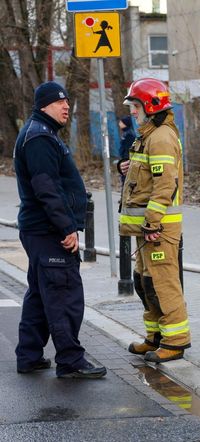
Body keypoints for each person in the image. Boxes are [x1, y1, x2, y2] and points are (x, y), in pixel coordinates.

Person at [13, 81, 107, 379]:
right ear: (44, 106)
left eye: (67, 101)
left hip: (39, 230)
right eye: (59, 102)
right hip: (48, 231)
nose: (66, 106)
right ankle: (70, 361)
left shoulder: (41, 133)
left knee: (41, 294)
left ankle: (29, 355)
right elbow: (47, 188)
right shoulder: (40, 138)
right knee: (63, 294)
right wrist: (66, 228)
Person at [120, 78, 191, 363]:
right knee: (145, 282)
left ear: (149, 106)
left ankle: (175, 341)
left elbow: (165, 185)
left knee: (163, 284)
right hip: (147, 228)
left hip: (157, 229)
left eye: (135, 106)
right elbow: (146, 177)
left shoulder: (160, 136)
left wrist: (152, 222)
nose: (132, 112)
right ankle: (155, 337)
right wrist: (124, 166)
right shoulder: (149, 135)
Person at [116, 115, 135, 185]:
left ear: (125, 124)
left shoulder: (129, 135)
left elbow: (129, 150)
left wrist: (125, 160)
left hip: (126, 162)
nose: (119, 124)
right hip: (124, 161)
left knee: (126, 183)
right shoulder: (126, 133)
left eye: (121, 122)